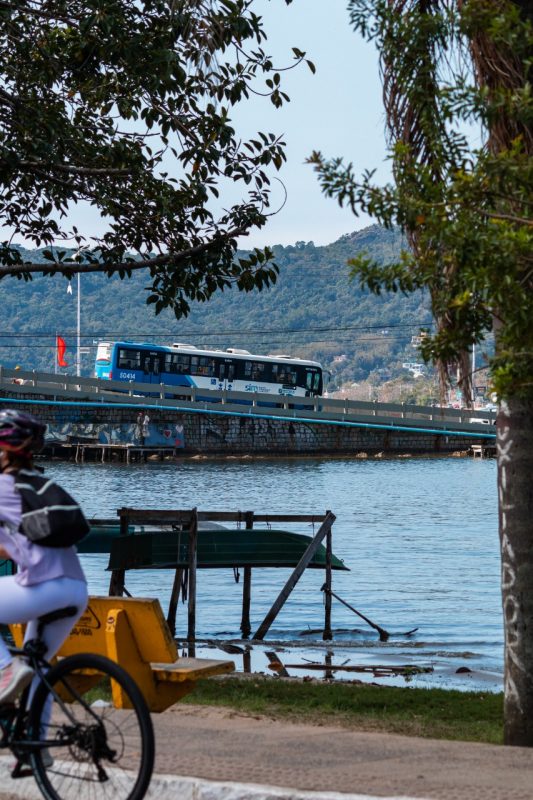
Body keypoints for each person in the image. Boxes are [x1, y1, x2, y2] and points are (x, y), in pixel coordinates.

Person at [0, 409, 88, 704]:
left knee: (18, 670)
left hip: (43, 587)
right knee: (39, 671)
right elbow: (17, 542)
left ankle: (4, 669)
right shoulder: (39, 486)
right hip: (76, 590)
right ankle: (36, 749)